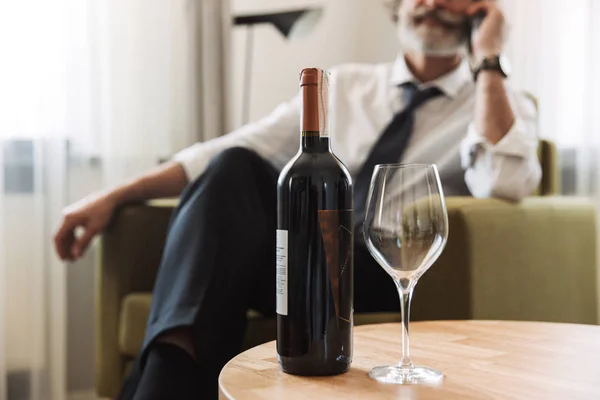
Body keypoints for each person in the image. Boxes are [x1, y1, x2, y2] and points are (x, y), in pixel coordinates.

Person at [54, 0, 541, 398]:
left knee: (226, 243)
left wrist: (490, 60)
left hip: (380, 266)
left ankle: (157, 386)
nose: (431, 3)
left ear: (480, 12)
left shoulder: (495, 101)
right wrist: (114, 195)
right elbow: (229, 147)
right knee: (233, 167)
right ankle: (172, 370)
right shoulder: (345, 85)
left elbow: (506, 181)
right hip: (302, 263)